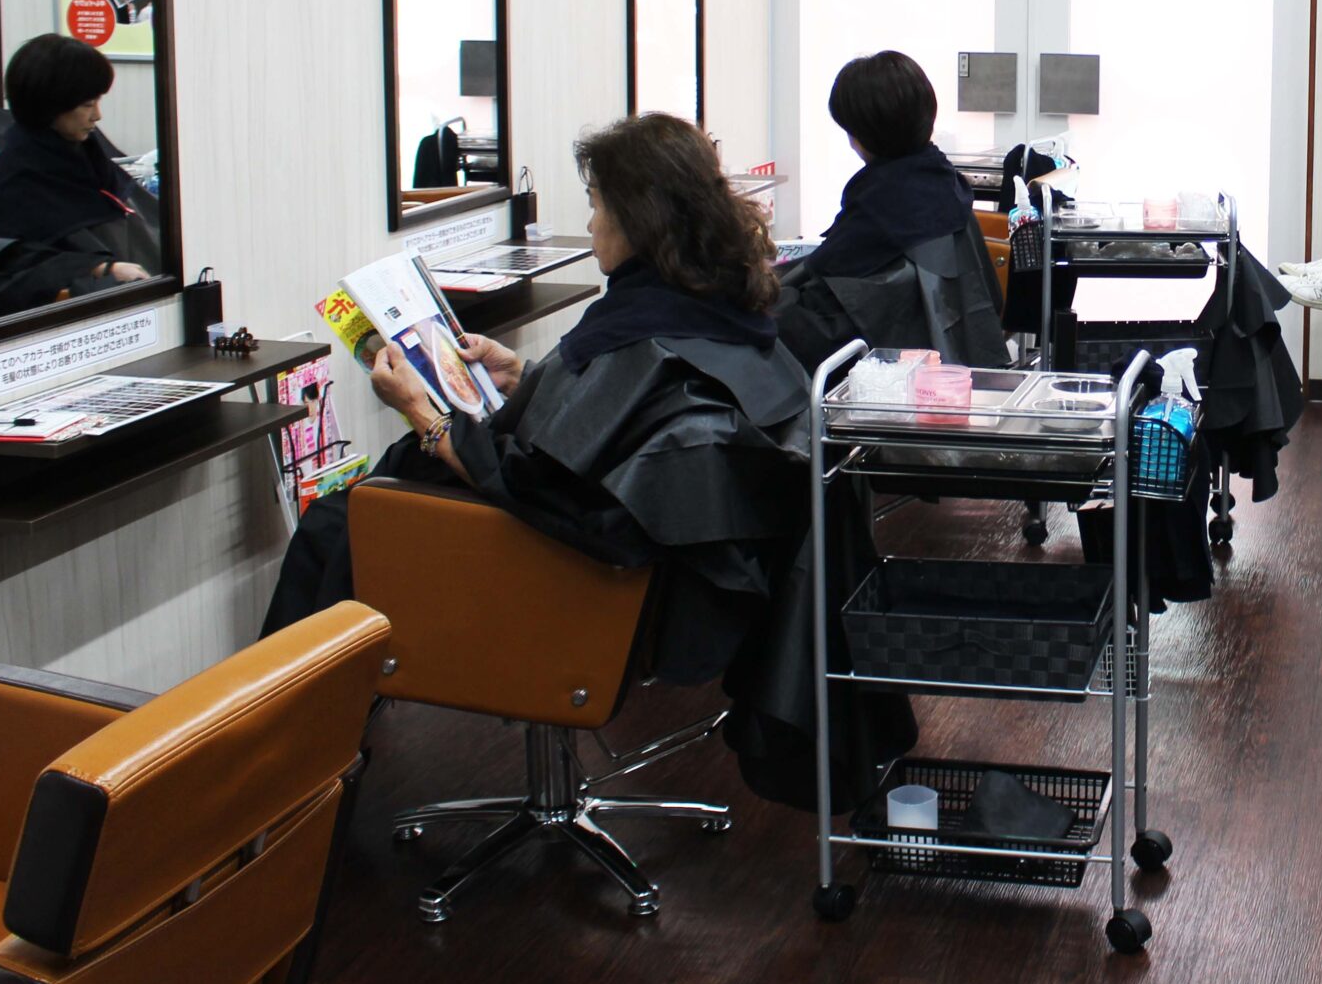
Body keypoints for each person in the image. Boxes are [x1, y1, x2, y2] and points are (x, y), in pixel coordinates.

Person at [263, 112, 911, 803]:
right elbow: (613, 424)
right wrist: (521, 375)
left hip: (566, 579)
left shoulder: (637, 330)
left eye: (598, 204)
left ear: (636, 220)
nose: (592, 222)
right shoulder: (716, 307)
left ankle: (279, 763)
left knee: (340, 523)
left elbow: (548, 486)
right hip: (643, 579)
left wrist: (426, 417)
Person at [777, 51, 1005, 369]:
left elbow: (826, 324)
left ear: (863, 135)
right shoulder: (944, 183)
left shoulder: (880, 209)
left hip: (880, 372)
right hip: (957, 366)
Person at [0, 33, 160, 316]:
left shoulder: (86, 156)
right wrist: (98, 268)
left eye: (97, 102)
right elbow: (5, 267)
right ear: (51, 107)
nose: (97, 115)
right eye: (87, 105)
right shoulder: (15, 186)